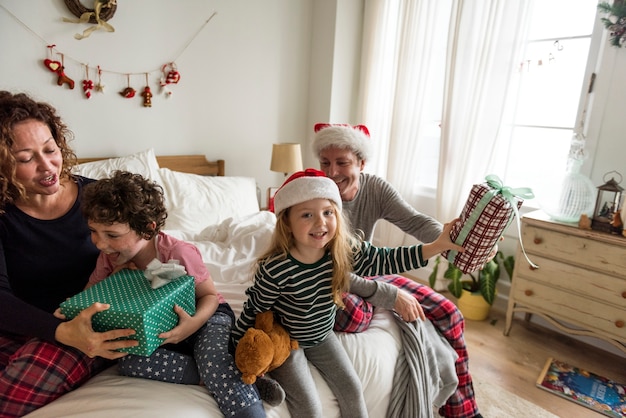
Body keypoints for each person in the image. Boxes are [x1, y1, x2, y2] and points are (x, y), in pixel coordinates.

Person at [231, 169, 465, 418]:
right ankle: (263, 380)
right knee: (309, 407)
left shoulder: (342, 251)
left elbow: (389, 260)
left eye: (327, 212)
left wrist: (437, 246)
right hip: (289, 341)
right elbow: (254, 310)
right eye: (307, 215)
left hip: (322, 335)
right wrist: (234, 351)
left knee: (352, 388)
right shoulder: (276, 268)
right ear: (287, 222)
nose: (320, 222)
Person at [312, 123, 483, 418]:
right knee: (354, 316)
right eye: (325, 163)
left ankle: (463, 411)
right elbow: (319, 265)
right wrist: (390, 296)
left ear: (361, 163)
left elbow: (417, 223)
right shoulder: (316, 193)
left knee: (449, 313)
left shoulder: (375, 188)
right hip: (331, 277)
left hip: (371, 271)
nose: (332, 172)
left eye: (343, 162)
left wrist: (454, 240)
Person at [79, 170, 275, 418]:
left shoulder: (178, 253)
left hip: (204, 317)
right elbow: (90, 296)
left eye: (112, 235)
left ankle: (247, 408)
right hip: (161, 329)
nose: (99, 243)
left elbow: (210, 296)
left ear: (148, 230)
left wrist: (191, 325)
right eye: (93, 231)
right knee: (128, 362)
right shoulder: (108, 259)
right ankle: (221, 375)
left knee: (212, 358)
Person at [0, 91, 138, 417]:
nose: (47, 166)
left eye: (50, 150)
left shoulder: (100, 197)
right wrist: (57, 330)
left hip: (88, 326)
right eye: (25, 158)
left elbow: (149, 254)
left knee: (8, 399)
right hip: (25, 324)